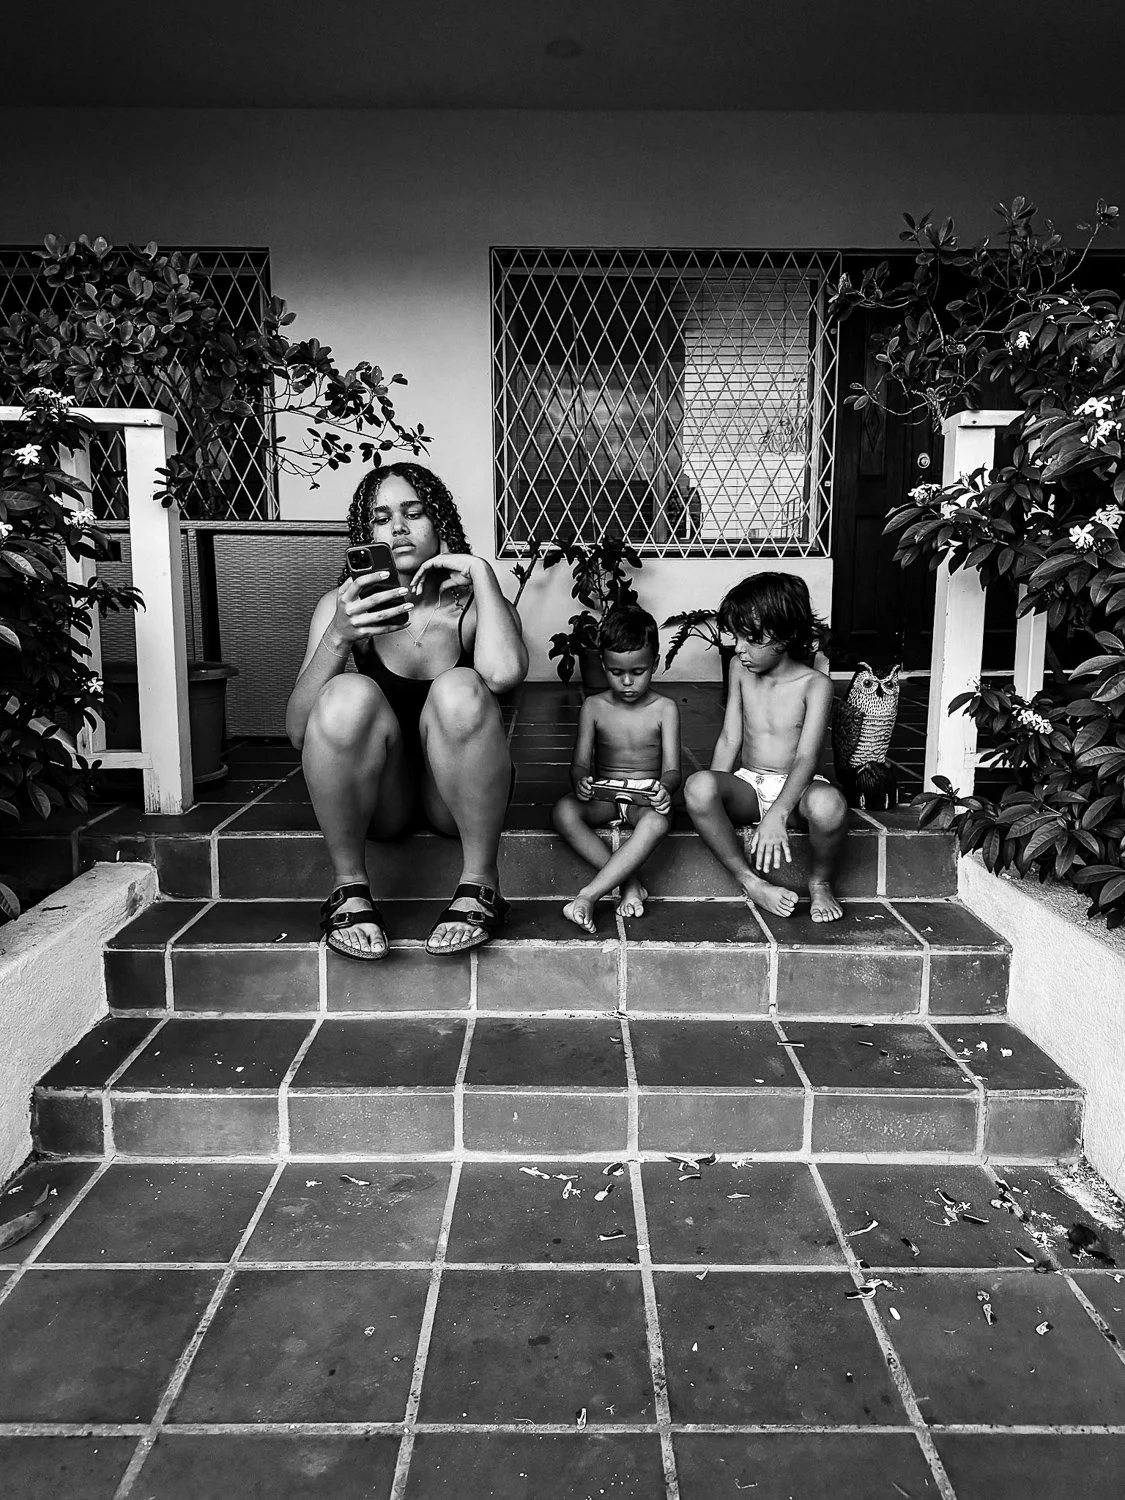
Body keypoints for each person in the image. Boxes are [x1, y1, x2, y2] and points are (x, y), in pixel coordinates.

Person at [285, 462, 528, 960]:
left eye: (413, 513)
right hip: (384, 800)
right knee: (346, 693)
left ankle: (481, 879)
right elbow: (297, 731)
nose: (397, 528)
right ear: (365, 533)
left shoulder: (476, 602)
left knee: (461, 685)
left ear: (439, 522)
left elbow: (503, 676)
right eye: (380, 519)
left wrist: (480, 572)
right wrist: (339, 636)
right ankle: (348, 884)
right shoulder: (343, 606)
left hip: (454, 801)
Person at [684, 573, 847, 923]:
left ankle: (820, 882)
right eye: (736, 636)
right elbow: (730, 738)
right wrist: (713, 793)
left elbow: (806, 757)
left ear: (787, 634)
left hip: (797, 787)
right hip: (750, 785)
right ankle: (751, 882)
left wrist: (779, 813)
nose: (739, 647)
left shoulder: (815, 685)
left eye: (751, 638)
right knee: (698, 786)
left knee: (829, 805)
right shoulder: (739, 669)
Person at [552, 605, 681, 933]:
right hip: (606, 796)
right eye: (615, 672)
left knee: (657, 822)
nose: (626, 682)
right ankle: (629, 882)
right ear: (602, 665)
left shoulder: (665, 709)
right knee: (563, 811)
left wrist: (665, 790)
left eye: (637, 672)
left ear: (654, 663)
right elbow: (580, 764)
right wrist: (581, 782)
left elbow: (672, 771)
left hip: (644, 800)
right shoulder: (594, 706)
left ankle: (589, 894)